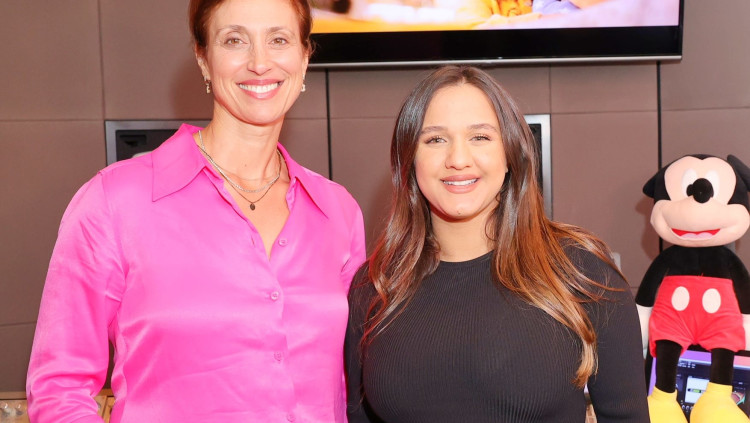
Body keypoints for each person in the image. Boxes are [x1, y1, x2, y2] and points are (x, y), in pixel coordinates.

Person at [26, 0, 366, 421]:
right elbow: (59, 388)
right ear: (203, 59)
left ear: (305, 56)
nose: (260, 62)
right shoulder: (115, 201)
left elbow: (357, 383)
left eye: (279, 39)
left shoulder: (338, 210)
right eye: (235, 40)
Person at [345, 66, 649, 423]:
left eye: (480, 137)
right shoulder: (375, 286)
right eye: (436, 139)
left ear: (510, 154)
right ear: (410, 160)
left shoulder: (582, 274)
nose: (458, 159)